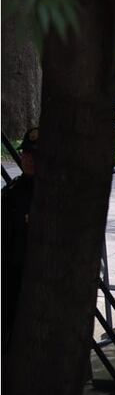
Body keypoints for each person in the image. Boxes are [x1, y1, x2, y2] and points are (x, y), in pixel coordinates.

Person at [2, 128, 38, 353]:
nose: (28, 159)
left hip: (34, 275)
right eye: (25, 154)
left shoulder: (50, 194)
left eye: (34, 155)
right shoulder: (13, 190)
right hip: (11, 271)